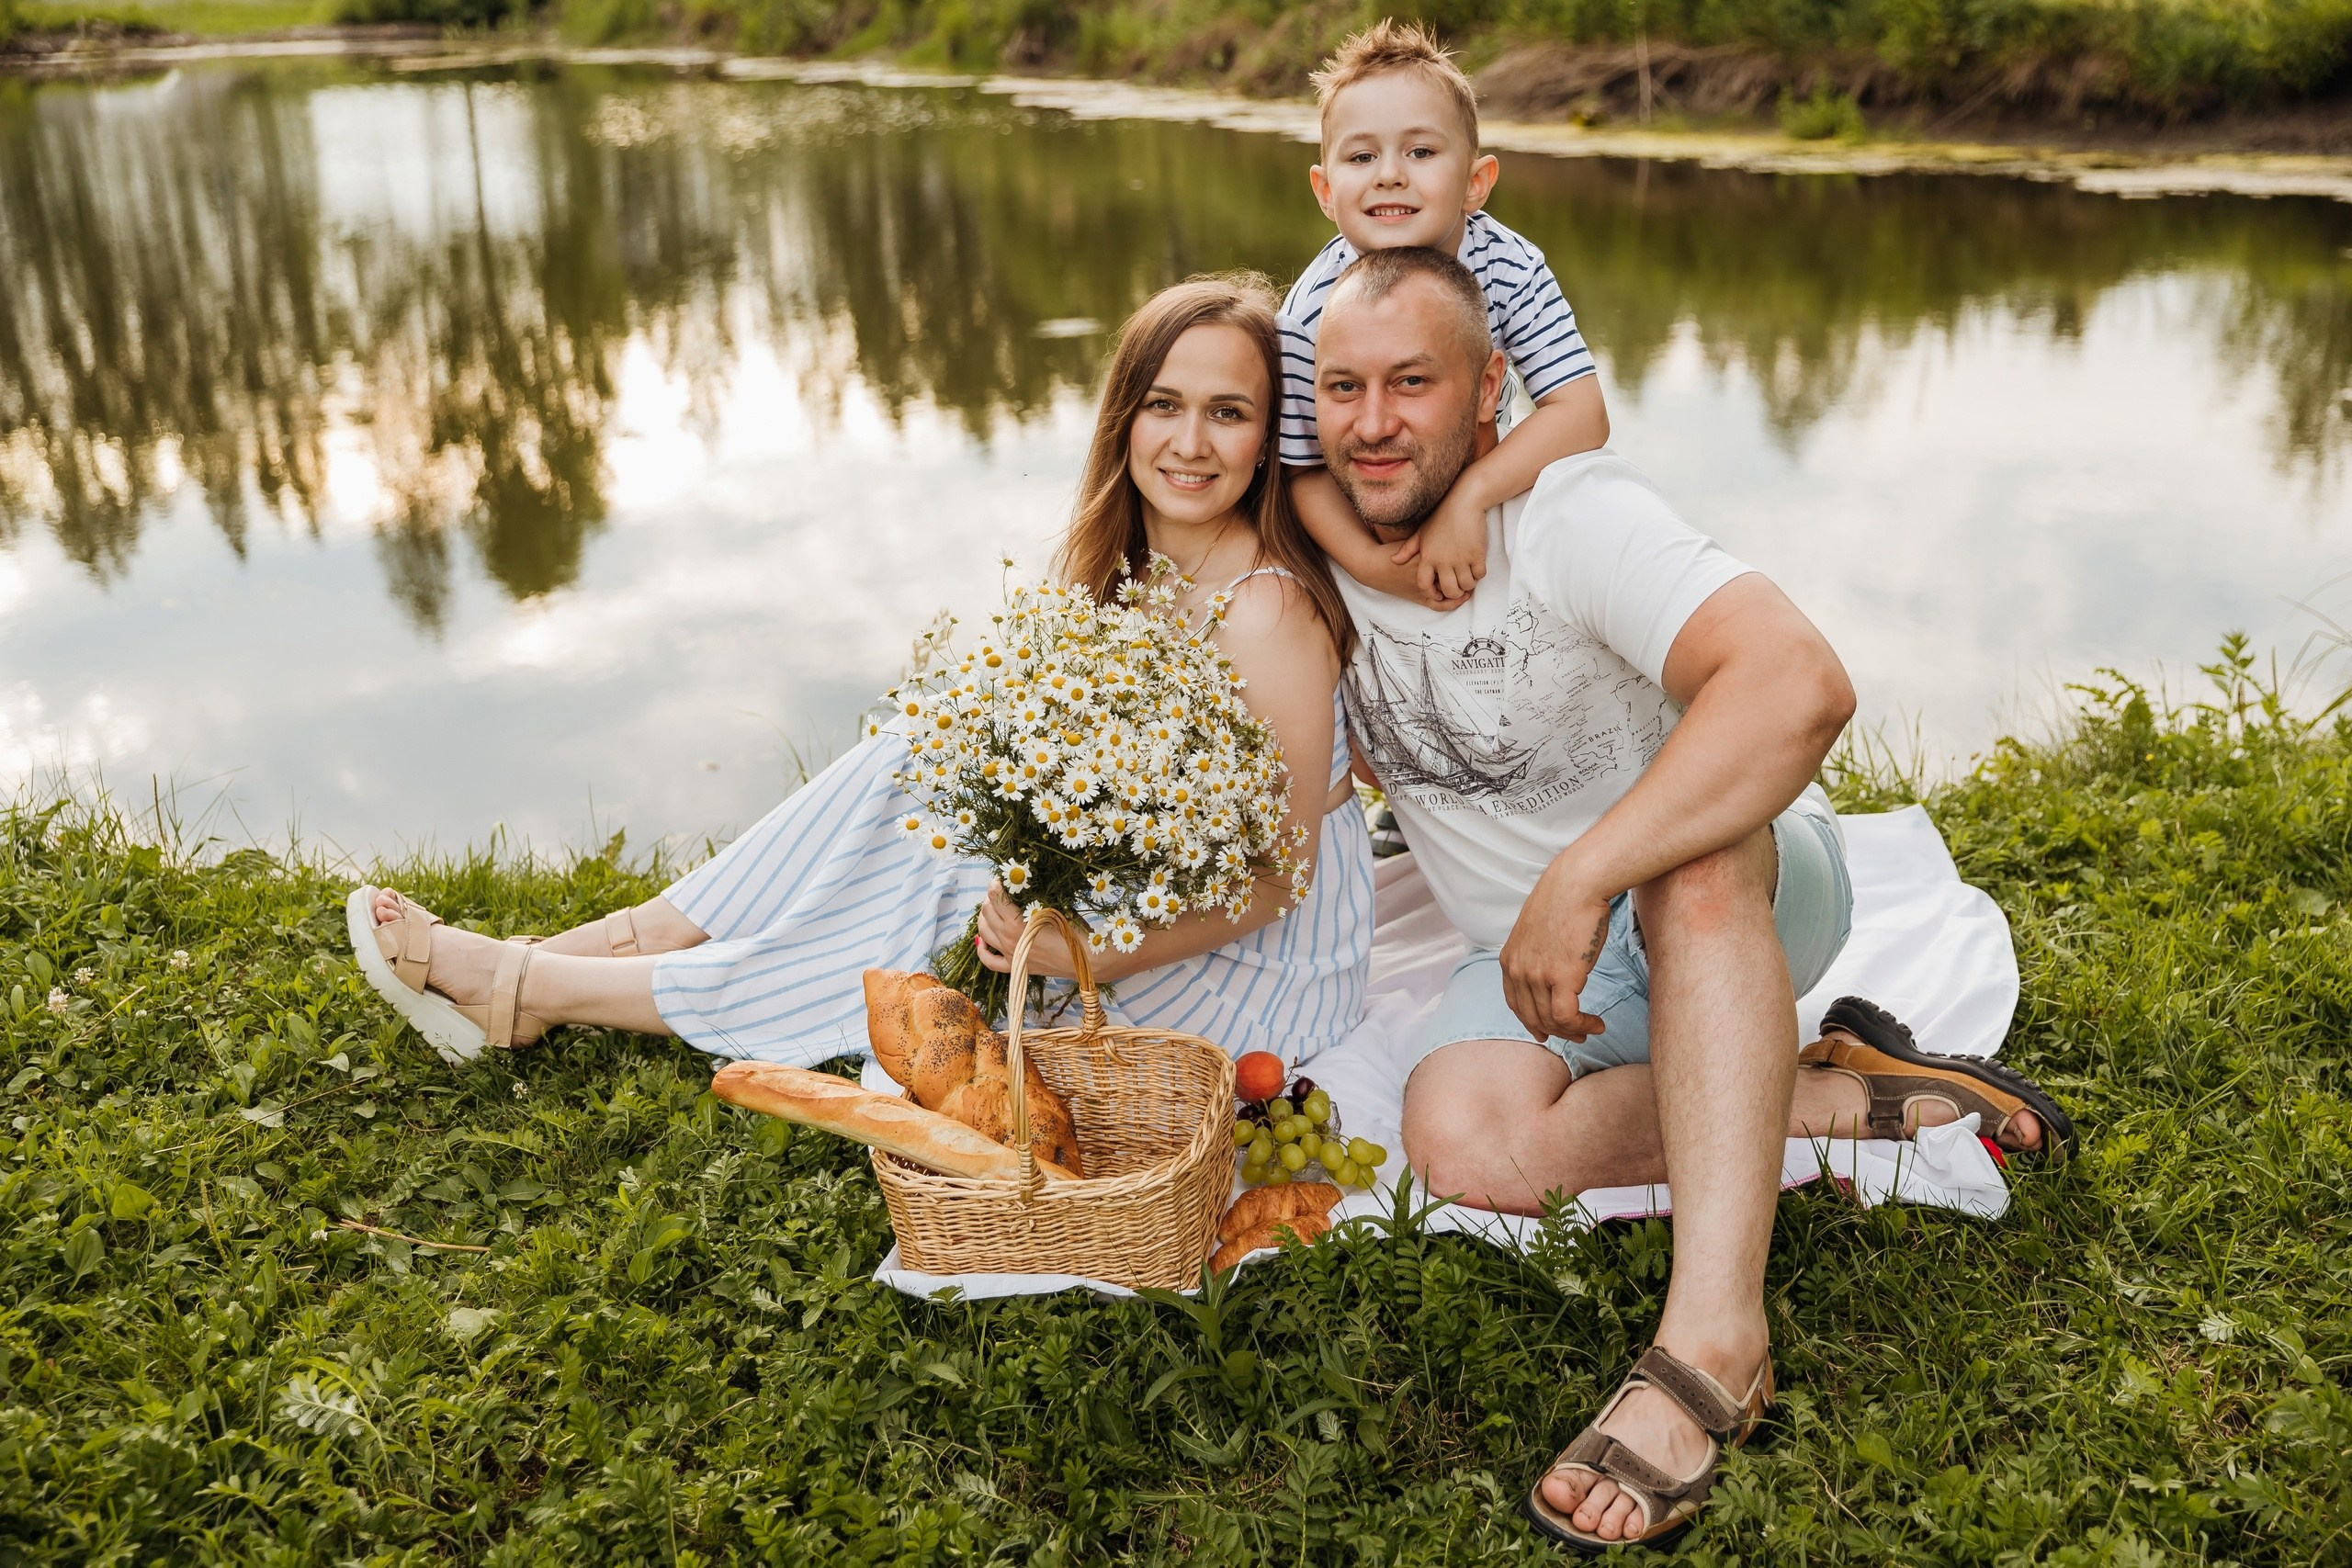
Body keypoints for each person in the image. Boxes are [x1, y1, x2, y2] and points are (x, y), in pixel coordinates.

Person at [1307, 246, 2073, 1552]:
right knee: (1469, 1143)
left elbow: (1797, 682)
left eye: (1411, 382)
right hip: (1537, 958)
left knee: (1693, 857)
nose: (1372, 422)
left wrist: (1585, 870)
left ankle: (1714, 1339)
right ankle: (1836, 1088)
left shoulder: (1573, 513)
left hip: (1732, 890)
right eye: (1340, 388)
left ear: (1491, 387)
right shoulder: (1316, 559)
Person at [347, 274, 1374, 1072]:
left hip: (1247, 968)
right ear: (1124, 417)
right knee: (922, 756)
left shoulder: (1270, 610)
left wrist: (1088, 955)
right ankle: (589, 954)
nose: (1190, 443)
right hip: (1147, 895)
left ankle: (536, 982)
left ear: (1265, 437)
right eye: (1164, 405)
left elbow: (1281, 880)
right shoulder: (1128, 569)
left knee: (913, 894)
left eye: (1228, 413)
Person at [1280, 19, 1610, 612]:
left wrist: (1470, 497)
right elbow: (1300, 468)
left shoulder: (1510, 267)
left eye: (1421, 151)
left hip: (1482, 492)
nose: (1389, 173)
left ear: (1476, 182)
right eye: (1362, 156)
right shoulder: (1310, 313)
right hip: (1369, 526)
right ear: (1325, 191)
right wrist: (1371, 566)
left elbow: (1582, 414)